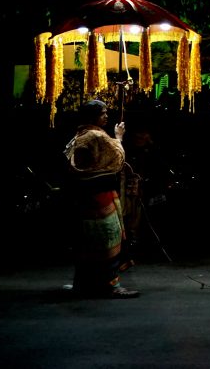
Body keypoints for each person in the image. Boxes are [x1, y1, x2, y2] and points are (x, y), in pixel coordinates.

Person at [63, 99, 139, 298]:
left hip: (86, 196)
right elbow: (117, 156)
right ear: (93, 116)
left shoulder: (81, 135)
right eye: (103, 113)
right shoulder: (95, 135)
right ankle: (110, 285)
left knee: (87, 242)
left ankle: (82, 284)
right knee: (108, 239)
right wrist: (119, 137)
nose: (106, 116)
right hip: (99, 197)